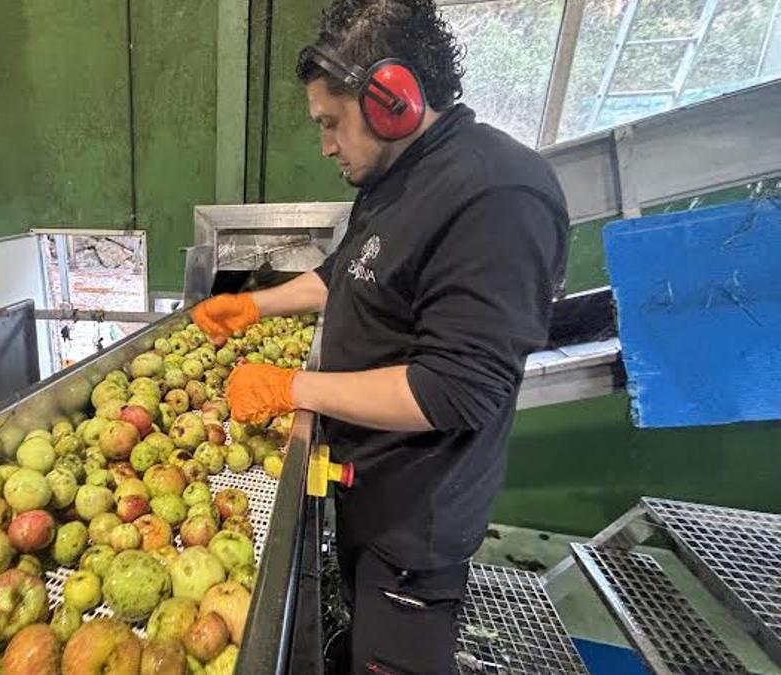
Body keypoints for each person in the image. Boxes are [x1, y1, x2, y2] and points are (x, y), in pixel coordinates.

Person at [190, 0, 568, 672]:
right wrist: (253, 306)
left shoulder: (498, 196)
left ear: (392, 98)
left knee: (394, 656)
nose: (326, 144)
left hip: (416, 523)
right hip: (368, 487)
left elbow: (453, 390)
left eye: (331, 123)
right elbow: (350, 273)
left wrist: (291, 386)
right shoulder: (398, 175)